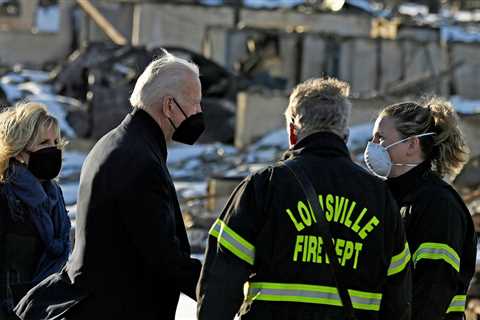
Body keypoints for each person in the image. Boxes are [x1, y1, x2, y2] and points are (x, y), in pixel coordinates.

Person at [197, 77, 411, 320]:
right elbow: (398, 299)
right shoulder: (380, 199)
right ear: (345, 135)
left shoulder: (263, 188)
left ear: (292, 131)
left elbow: (220, 282)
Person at [14, 52, 203, 320]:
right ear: (169, 106)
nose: (199, 113)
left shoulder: (115, 143)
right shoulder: (139, 161)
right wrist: (221, 288)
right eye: (195, 104)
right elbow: (163, 258)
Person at [364, 98, 476, 320]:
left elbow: (433, 289)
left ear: (412, 145)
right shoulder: (388, 198)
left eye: (381, 138)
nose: (372, 146)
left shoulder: (438, 204)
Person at [0, 102, 70, 320]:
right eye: (44, 143)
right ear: (20, 152)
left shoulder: (54, 197)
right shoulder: (4, 198)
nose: (54, 149)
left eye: (56, 142)